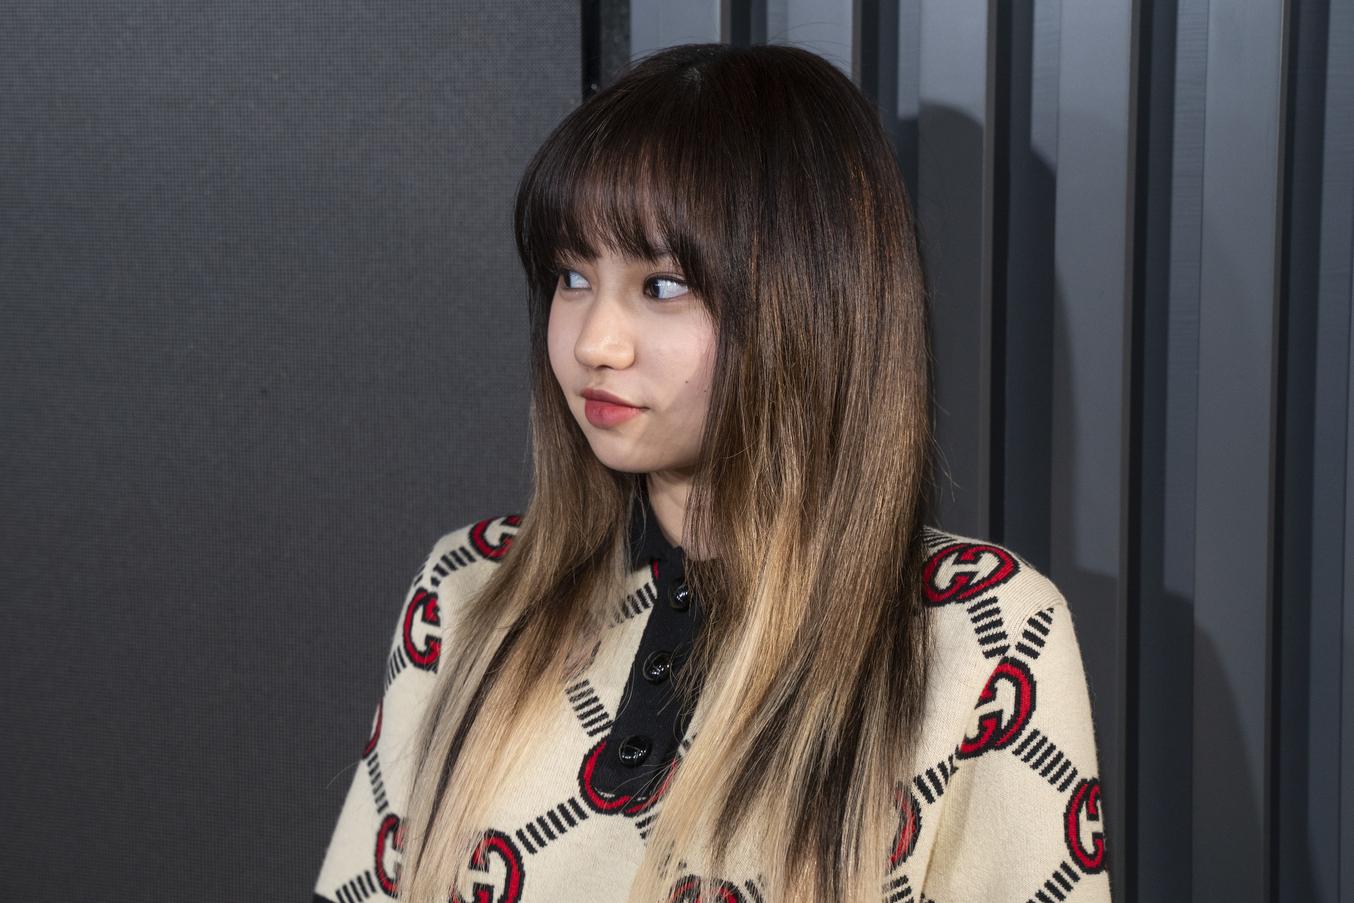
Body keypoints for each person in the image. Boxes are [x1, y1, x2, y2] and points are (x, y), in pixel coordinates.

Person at [313, 42, 1112, 903]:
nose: (593, 342)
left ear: (808, 301)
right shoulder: (469, 590)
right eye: (572, 276)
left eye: (661, 286)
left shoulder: (981, 632)